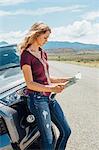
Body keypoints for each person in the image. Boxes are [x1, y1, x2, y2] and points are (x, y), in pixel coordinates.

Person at [19, 22, 71, 150]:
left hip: (49, 98)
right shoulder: (26, 55)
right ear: (36, 35)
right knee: (48, 139)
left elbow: (46, 78)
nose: (47, 41)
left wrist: (67, 79)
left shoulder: (42, 52)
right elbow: (29, 83)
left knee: (66, 131)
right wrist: (52, 88)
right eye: (45, 37)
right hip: (37, 101)